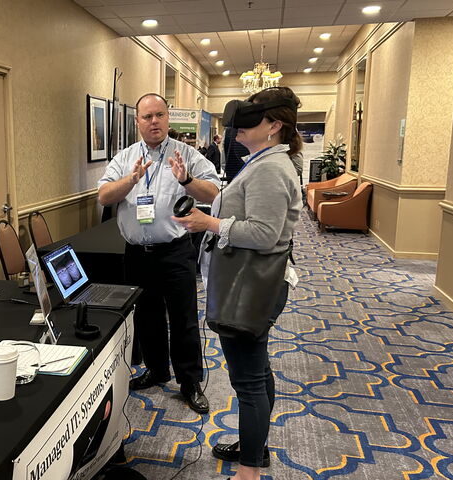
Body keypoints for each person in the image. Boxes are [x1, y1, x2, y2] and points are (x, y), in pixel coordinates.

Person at [172, 86, 302, 480]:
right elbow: (243, 210)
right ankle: (254, 447)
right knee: (257, 373)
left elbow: (264, 234)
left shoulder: (270, 169)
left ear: (274, 125)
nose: (236, 130)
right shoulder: (261, 162)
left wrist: (209, 224)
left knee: (248, 382)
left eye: (249, 121)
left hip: (249, 287)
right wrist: (201, 199)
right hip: (246, 281)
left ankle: (249, 470)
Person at [98, 93, 220, 413]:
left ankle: (190, 381)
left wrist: (186, 179)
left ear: (168, 119)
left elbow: (214, 191)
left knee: (183, 318)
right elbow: (104, 196)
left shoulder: (186, 154)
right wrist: (131, 180)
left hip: (175, 251)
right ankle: (156, 369)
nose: (154, 121)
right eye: (147, 116)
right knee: (147, 316)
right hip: (137, 253)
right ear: (137, 121)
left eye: (160, 115)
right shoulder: (125, 159)